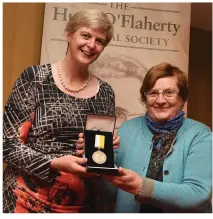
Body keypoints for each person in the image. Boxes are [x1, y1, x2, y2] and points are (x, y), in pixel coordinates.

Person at [3, 9, 119, 213]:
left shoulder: (105, 93)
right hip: (24, 202)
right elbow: (6, 145)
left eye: (99, 41)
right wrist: (54, 163)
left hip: (80, 206)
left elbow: (96, 156)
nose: (91, 45)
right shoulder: (35, 79)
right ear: (69, 34)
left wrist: (106, 146)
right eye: (85, 35)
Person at [77, 62, 212, 213]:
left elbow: (197, 194)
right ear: (145, 97)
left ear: (182, 98)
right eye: (153, 93)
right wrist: (94, 165)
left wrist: (141, 186)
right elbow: (109, 194)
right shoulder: (127, 130)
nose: (160, 100)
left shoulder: (200, 135)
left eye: (169, 93)